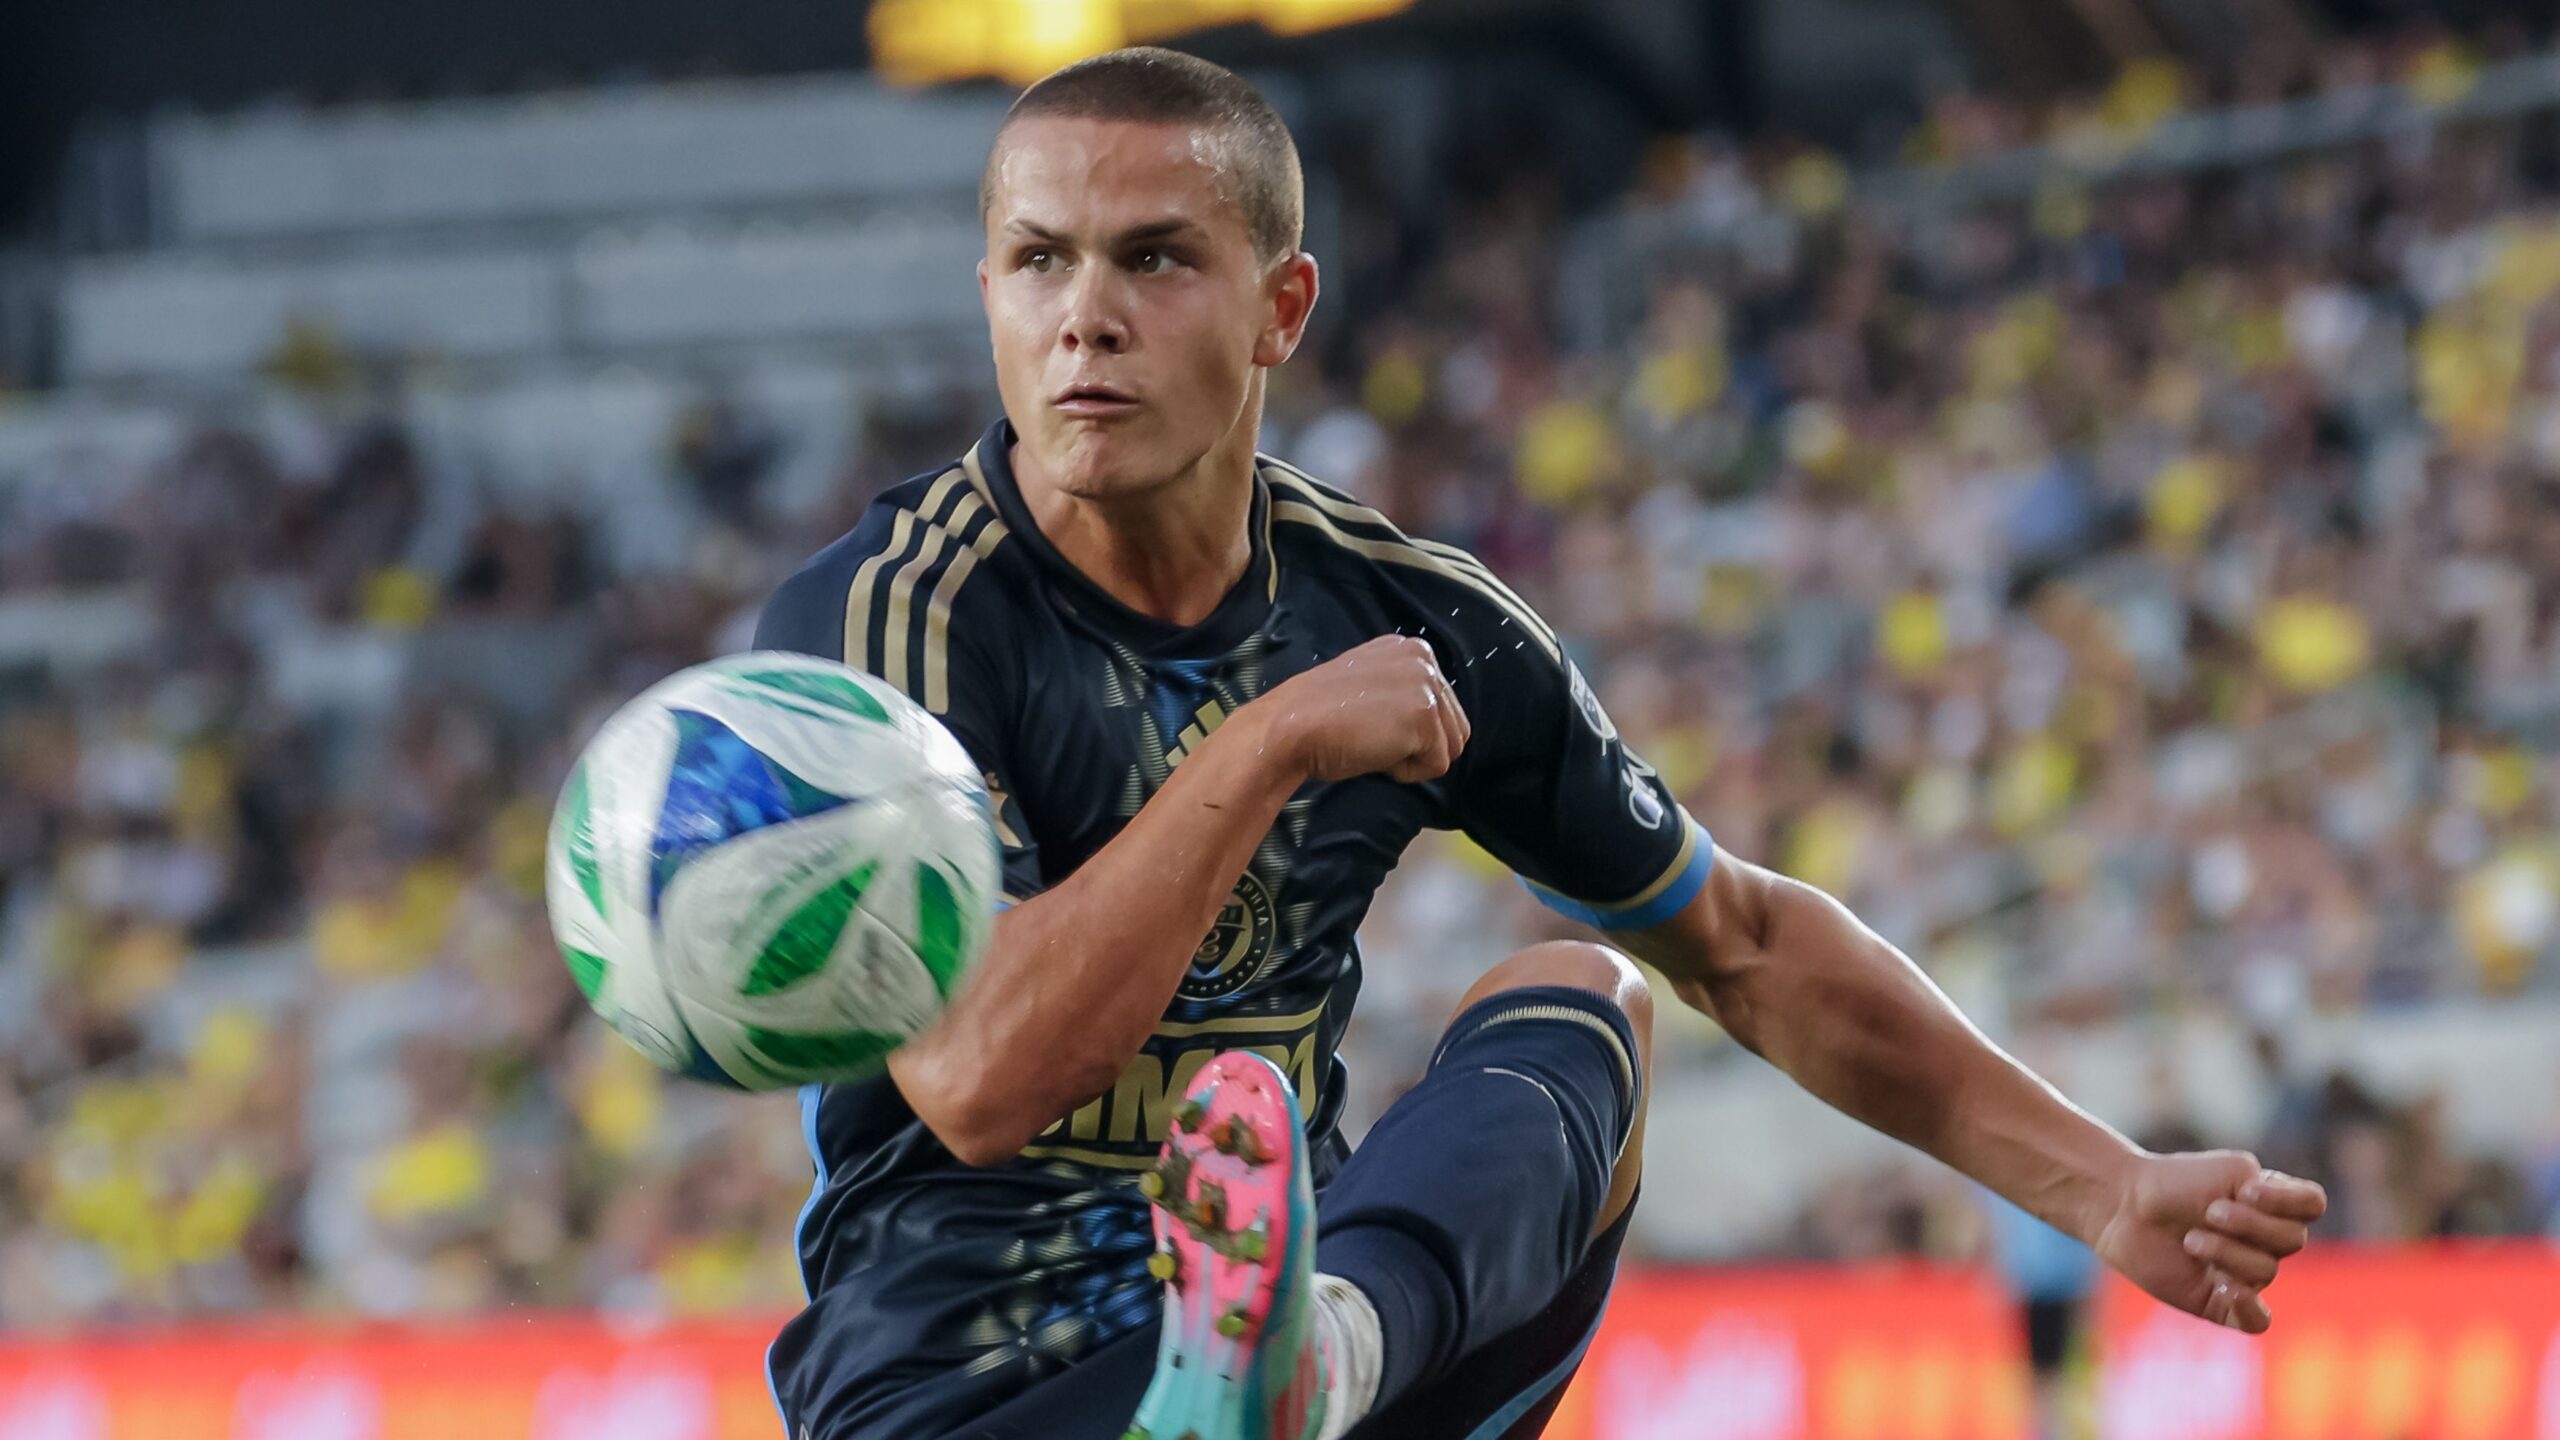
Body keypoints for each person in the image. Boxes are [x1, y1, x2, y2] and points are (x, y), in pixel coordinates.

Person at [754, 46, 2327, 1440]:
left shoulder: (1411, 613)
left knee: (1585, 996)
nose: (1086, 316)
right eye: (1040, 261)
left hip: (1313, 1388)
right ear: (989, 295)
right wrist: (1270, 744)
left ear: (1281, 309)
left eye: (1154, 258)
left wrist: (2105, 1184)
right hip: (971, 1400)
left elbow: (1747, 945)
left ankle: (1322, 1357)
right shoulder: (896, 617)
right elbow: (980, 1078)